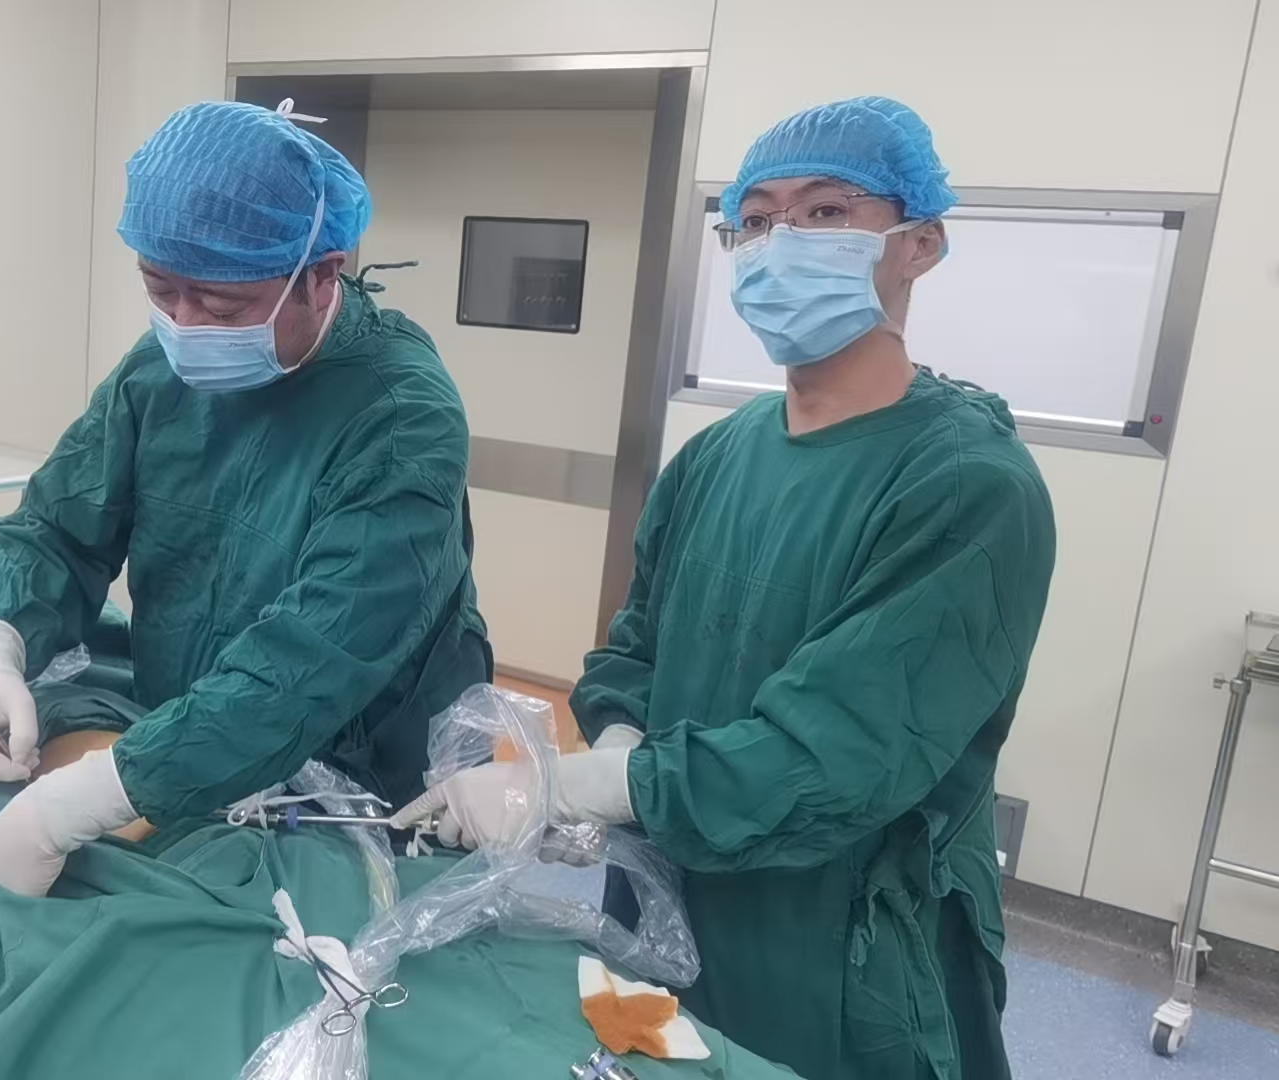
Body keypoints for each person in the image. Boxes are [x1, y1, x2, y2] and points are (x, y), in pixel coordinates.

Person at [396, 97, 1056, 1080]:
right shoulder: (716, 455)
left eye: (825, 213)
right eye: (752, 220)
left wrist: (570, 783)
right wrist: (615, 751)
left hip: (838, 933)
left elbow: (831, 757)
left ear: (919, 244)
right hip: (667, 886)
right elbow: (635, 649)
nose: (778, 243)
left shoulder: (964, 486)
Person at [0, 100, 491, 897]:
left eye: (222, 306)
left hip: (354, 786)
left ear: (321, 275)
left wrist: (69, 806)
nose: (185, 325)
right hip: (181, 744)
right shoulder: (158, 370)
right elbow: (58, 528)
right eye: (159, 290)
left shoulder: (401, 417)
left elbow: (308, 662)